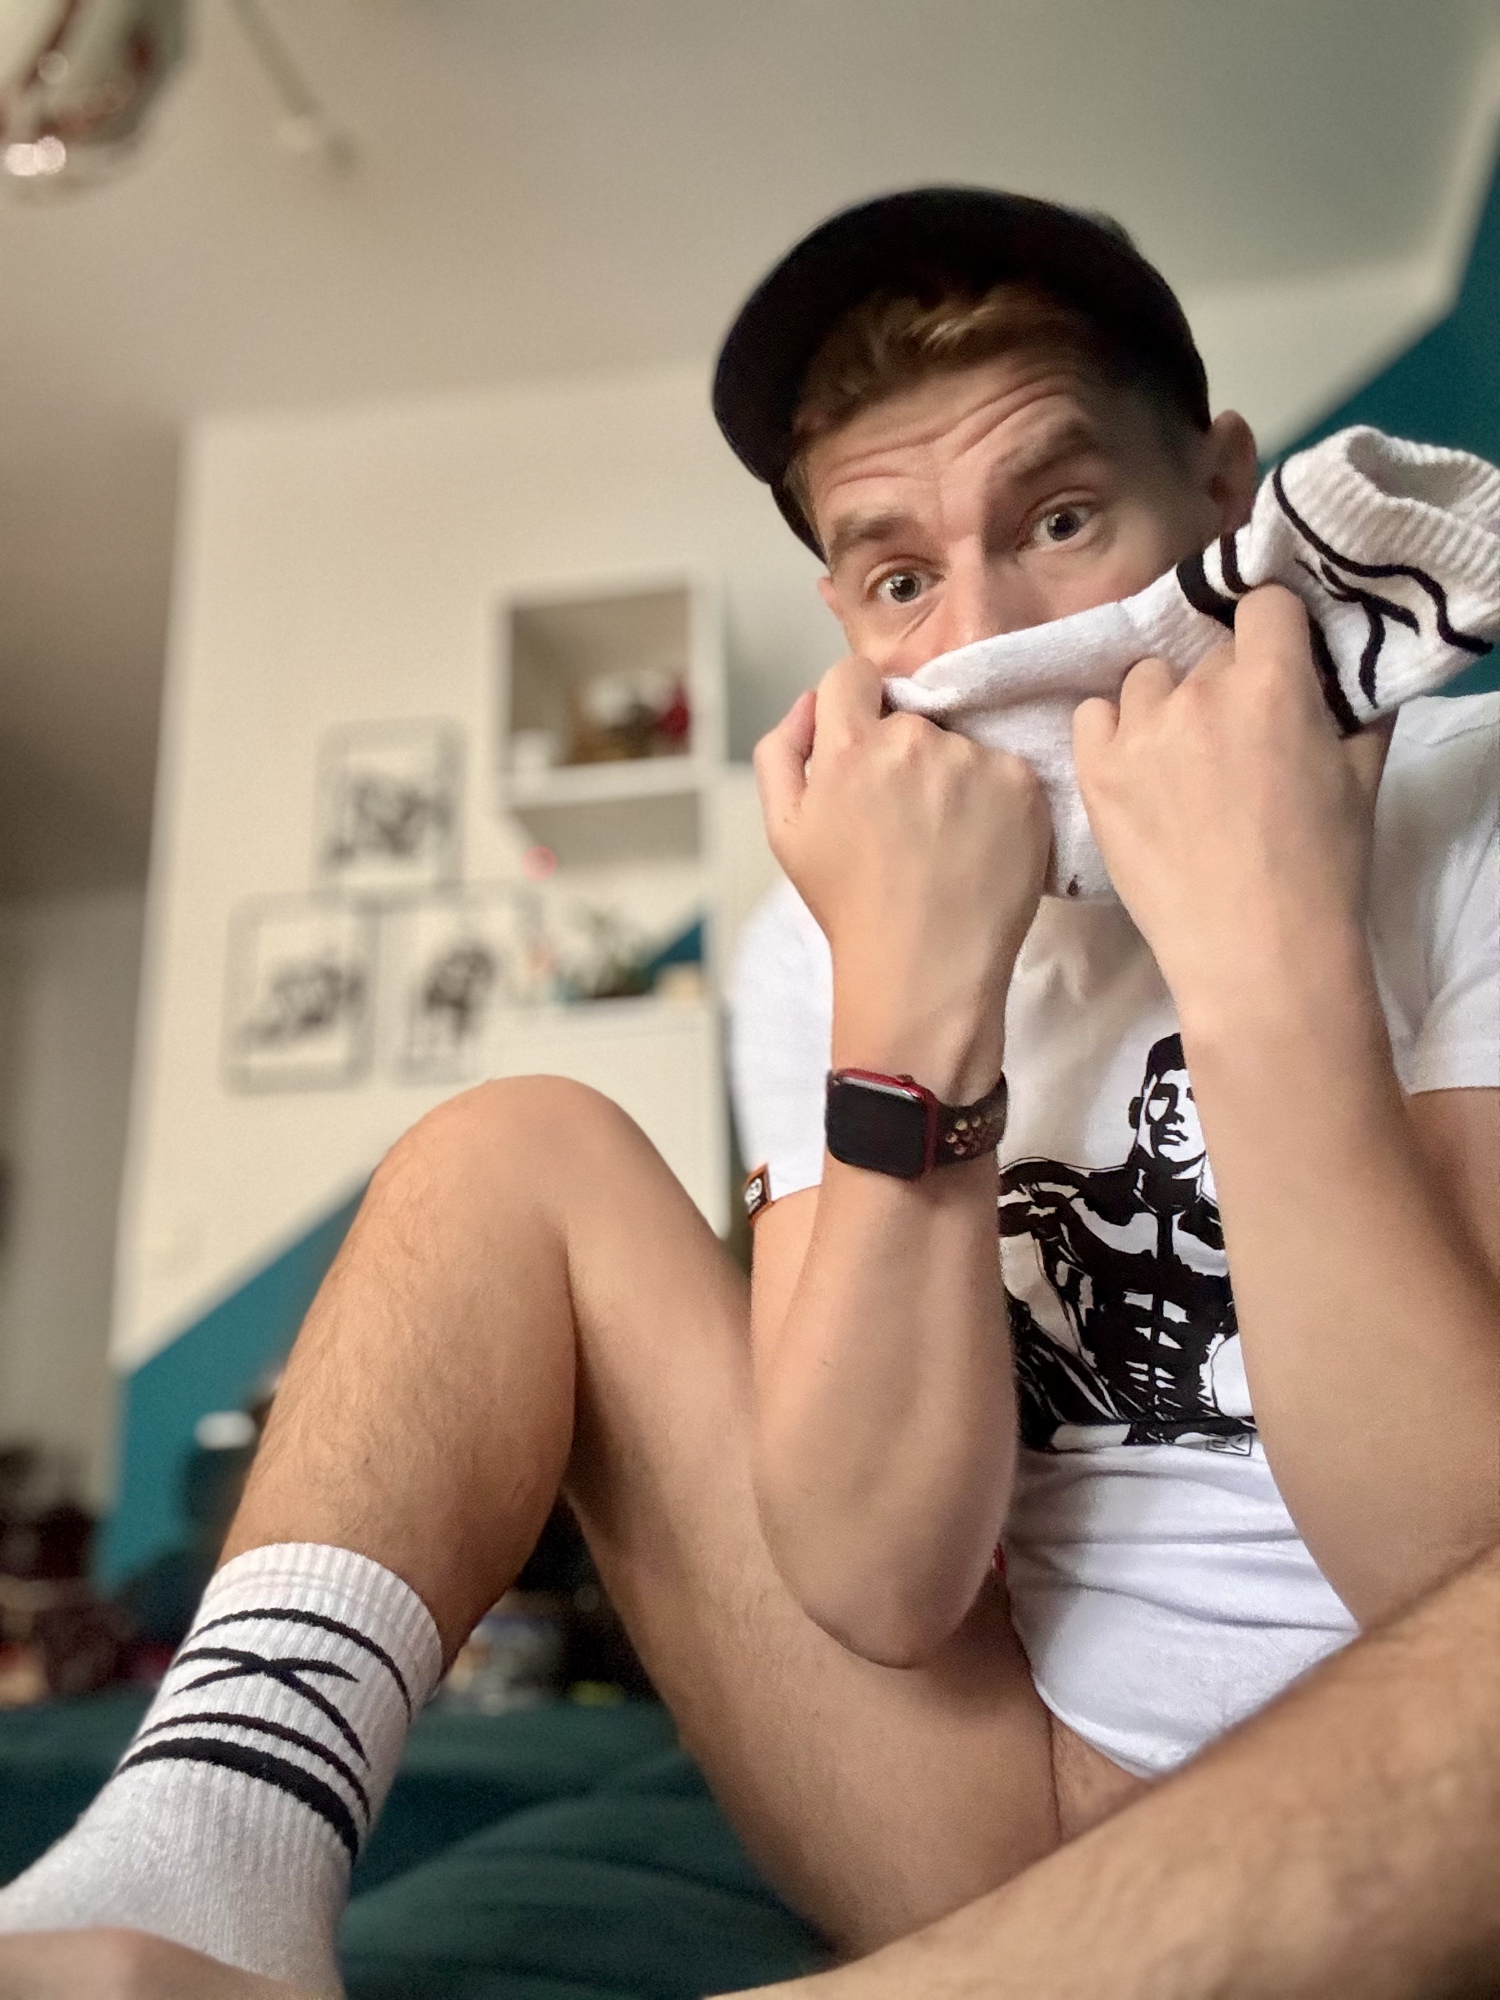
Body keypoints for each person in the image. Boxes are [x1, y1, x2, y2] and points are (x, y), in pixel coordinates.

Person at [0, 188, 1495, 1998]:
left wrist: (1262, 953)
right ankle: (179, 1885)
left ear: (1225, 492)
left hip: (1411, 1787)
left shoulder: (1464, 806)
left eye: (1063, 518)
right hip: (977, 1792)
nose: (988, 636)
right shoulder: (831, 933)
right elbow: (877, 1585)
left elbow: (1453, 1577)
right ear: (845, 619)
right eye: (902, 580)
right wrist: (914, 1007)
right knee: (509, 1150)